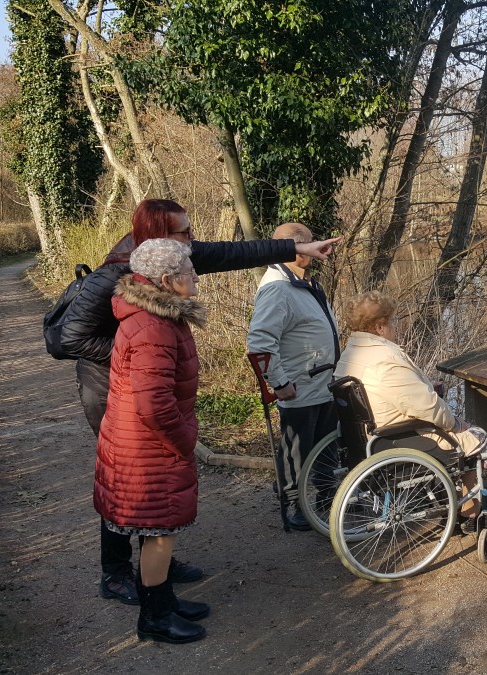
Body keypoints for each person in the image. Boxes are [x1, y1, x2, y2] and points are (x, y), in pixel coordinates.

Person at [59, 198, 338, 604]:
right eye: (183, 232)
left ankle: (158, 566)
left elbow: (234, 252)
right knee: (128, 480)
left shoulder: (175, 261)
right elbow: (68, 339)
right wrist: (136, 353)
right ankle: (115, 572)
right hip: (107, 388)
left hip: (148, 377)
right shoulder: (115, 274)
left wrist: (296, 248)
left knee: (153, 487)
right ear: (157, 236)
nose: (193, 240)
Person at [95, 238, 209, 643]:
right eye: (189, 271)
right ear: (166, 280)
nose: (196, 276)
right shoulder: (152, 327)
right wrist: (184, 440)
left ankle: (163, 602)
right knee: (160, 529)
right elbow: (153, 403)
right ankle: (155, 619)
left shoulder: (156, 317)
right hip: (149, 447)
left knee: (155, 530)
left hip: (141, 442)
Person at [333, 291, 487, 525]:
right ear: (379, 326)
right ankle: (470, 513)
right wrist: (457, 424)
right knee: (477, 438)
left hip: (366, 436)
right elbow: (429, 409)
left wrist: (425, 386)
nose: (395, 326)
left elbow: (396, 393)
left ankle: (451, 497)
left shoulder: (351, 353)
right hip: (397, 438)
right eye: (391, 321)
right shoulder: (385, 359)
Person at [245, 222, 339, 532]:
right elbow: (259, 343)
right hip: (300, 388)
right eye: (311, 243)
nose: (316, 248)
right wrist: (280, 383)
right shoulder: (277, 288)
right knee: (296, 450)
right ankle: (293, 503)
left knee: (326, 445)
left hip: (324, 383)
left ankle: (329, 496)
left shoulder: (304, 282)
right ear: (298, 250)